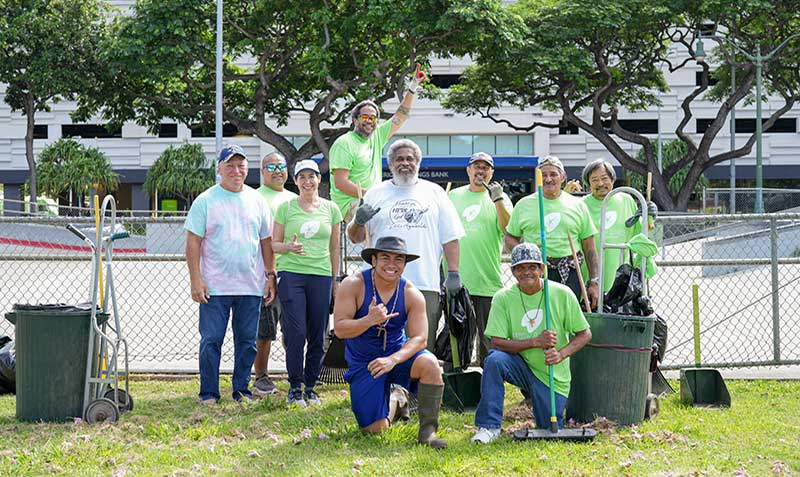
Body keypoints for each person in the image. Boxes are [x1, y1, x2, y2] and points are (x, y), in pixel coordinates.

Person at [347, 139, 465, 352]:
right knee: (380, 343)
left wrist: (454, 273)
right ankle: (384, 385)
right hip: (380, 284)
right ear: (391, 164)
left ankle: (417, 386)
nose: (405, 163)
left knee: (420, 345)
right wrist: (358, 221)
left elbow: (451, 237)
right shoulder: (375, 193)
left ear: (418, 163)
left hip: (424, 283)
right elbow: (355, 237)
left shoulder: (435, 193)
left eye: (410, 159)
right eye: (399, 159)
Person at [334, 236, 447, 448]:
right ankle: (397, 399)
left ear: (404, 265)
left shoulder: (411, 293)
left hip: (397, 355)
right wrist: (369, 320)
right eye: (385, 258)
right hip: (365, 362)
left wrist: (393, 360)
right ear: (374, 260)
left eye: (399, 259)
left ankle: (428, 433)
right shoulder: (353, 285)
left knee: (431, 364)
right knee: (374, 430)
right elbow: (340, 329)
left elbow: (420, 338)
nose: (392, 265)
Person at [184, 144, 277, 404]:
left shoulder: (257, 200)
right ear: (219, 169)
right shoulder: (206, 201)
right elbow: (193, 242)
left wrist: (270, 275)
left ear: (247, 170)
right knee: (211, 340)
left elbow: (266, 242)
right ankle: (209, 393)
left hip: (250, 285)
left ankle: (241, 390)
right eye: (230, 166)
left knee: (247, 342)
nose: (236, 171)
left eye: (241, 166)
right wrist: (196, 279)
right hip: (215, 287)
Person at [472, 243, 591, 443]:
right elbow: (496, 342)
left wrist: (561, 354)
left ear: (542, 269)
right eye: (520, 268)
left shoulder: (562, 294)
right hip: (521, 365)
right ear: (513, 272)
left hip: (550, 374)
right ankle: (489, 427)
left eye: (532, 267)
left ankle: (546, 411)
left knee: (548, 426)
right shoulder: (503, 298)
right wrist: (535, 342)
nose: (526, 272)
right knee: (494, 360)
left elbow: (584, 333)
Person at [271, 159, 342, 407]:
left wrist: (335, 280)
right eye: (302, 177)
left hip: (321, 276)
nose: (308, 181)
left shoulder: (331, 209)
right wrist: (288, 247)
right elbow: (274, 244)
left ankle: (310, 386)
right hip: (292, 274)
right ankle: (294, 386)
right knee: (295, 332)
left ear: (319, 180)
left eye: (312, 176)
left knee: (317, 334)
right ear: (296, 181)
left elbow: (335, 246)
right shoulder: (286, 208)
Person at [329, 66, 427, 220]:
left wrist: (413, 86)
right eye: (365, 117)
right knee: (390, 215)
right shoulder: (344, 143)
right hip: (351, 205)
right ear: (355, 119)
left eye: (373, 118)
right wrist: (375, 195)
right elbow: (341, 183)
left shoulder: (377, 136)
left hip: (372, 200)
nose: (370, 121)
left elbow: (401, 115)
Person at [505, 156, 601, 309]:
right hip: (536, 271)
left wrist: (594, 281)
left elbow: (589, 246)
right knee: (537, 315)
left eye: (553, 174)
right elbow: (510, 237)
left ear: (563, 177)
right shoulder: (524, 204)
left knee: (568, 318)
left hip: (570, 270)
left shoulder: (577, 205)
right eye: (543, 175)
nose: (548, 179)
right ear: (538, 178)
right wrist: (524, 252)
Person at [448, 152, 513, 366]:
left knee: (488, 340)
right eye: (476, 166)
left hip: (486, 282)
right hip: (456, 279)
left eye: (486, 168)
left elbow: (508, 229)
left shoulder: (499, 198)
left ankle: (488, 386)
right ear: (468, 170)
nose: (480, 171)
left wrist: (498, 201)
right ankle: (458, 387)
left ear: (491, 172)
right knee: (457, 336)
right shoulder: (453, 196)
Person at [252, 152, 297, 396]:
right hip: (263, 274)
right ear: (262, 171)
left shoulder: (295, 199)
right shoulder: (254, 197)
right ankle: (261, 376)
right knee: (265, 330)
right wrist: (268, 272)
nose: (278, 170)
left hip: (293, 273)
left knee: (292, 328)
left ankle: (295, 374)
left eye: (282, 165)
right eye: (272, 166)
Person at [574, 159, 656, 293]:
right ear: (588, 183)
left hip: (621, 273)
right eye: (594, 180)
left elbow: (639, 234)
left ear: (612, 179)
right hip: (590, 275)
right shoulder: (580, 205)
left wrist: (648, 217)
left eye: (604, 178)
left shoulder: (626, 200)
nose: (600, 183)